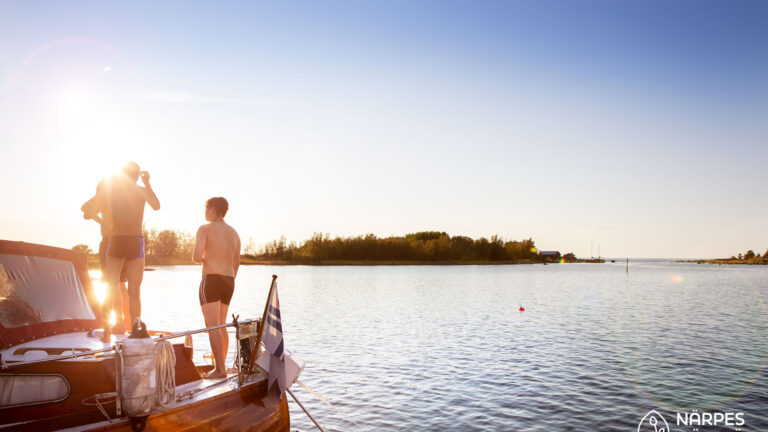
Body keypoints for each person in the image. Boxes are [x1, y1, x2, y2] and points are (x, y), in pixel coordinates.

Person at [91, 162, 160, 342]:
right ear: (138, 175)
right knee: (134, 291)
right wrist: (148, 183)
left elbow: (90, 210)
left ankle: (106, 332)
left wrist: (106, 223)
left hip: (116, 240)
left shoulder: (113, 191)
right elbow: (156, 205)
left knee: (110, 285)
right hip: (135, 241)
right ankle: (135, 330)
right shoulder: (141, 191)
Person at [193, 197, 241, 379]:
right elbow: (236, 263)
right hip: (229, 281)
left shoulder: (204, 229)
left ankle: (219, 369)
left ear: (213, 210)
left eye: (205, 208)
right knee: (221, 325)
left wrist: (206, 255)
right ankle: (221, 365)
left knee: (212, 325)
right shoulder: (234, 233)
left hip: (211, 279)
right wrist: (229, 279)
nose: (204, 212)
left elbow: (197, 257)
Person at [81, 180, 130, 332]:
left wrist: (101, 220)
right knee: (121, 284)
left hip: (109, 241)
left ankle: (117, 324)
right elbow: (87, 214)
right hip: (125, 240)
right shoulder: (122, 200)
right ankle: (128, 324)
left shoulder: (105, 197)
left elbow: (85, 210)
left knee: (111, 283)